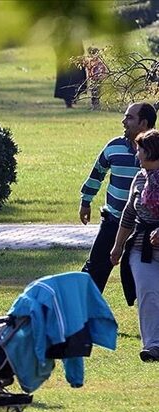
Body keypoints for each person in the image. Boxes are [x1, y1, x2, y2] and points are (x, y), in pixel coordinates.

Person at [79, 102, 157, 293]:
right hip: (114, 221)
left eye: (129, 117)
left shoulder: (156, 150)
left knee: (145, 279)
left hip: (146, 227)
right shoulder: (114, 147)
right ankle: (81, 314)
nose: (123, 121)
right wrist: (85, 201)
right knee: (95, 271)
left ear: (143, 123)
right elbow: (97, 173)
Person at [110, 129, 159, 362]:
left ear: (151, 151)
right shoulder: (139, 178)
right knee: (148, 294)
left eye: (139, 149)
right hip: (142, 249)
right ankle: (153, 346)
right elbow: (129, 213)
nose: (136, 154)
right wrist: (118, 246)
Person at [54, 44, 86, 108]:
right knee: (70, 81)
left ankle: (71, 99)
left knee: (72, 81)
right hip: (68, 62)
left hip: (69, 62)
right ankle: (70, 100)